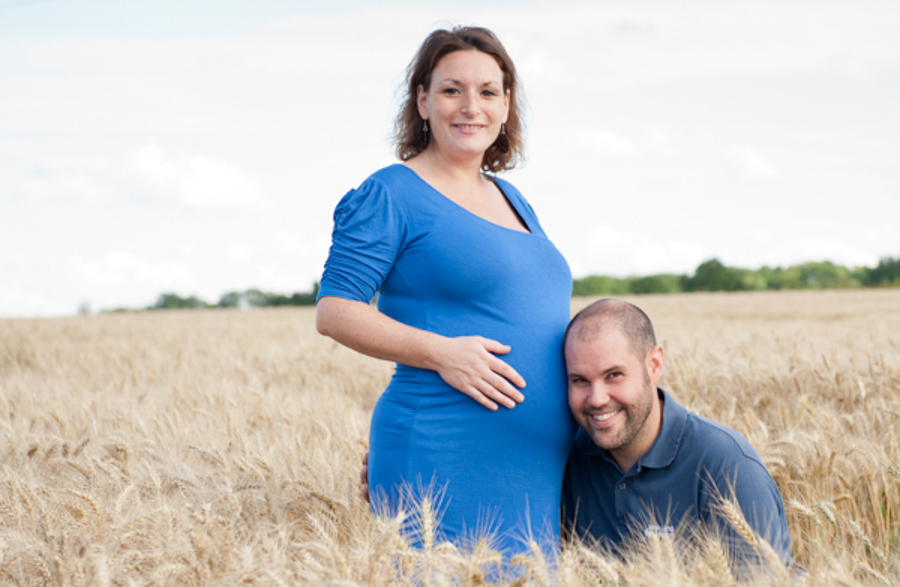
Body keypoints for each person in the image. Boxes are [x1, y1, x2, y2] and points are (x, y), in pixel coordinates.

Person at [316, 26, 577, 555]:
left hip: (535, 468)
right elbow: (335, 310)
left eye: (487, 91)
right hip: (443, 448)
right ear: (423, 101)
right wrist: (443, 353)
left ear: (506, 106)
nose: (470, 106)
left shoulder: (513, 197)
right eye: (452, 89)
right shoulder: (390, 193)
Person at [562, 299, 794, 567]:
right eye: (579, 380)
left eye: (614, 375)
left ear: (654, 365)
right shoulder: (563, 455)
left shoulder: (726, 466)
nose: (597, 399)